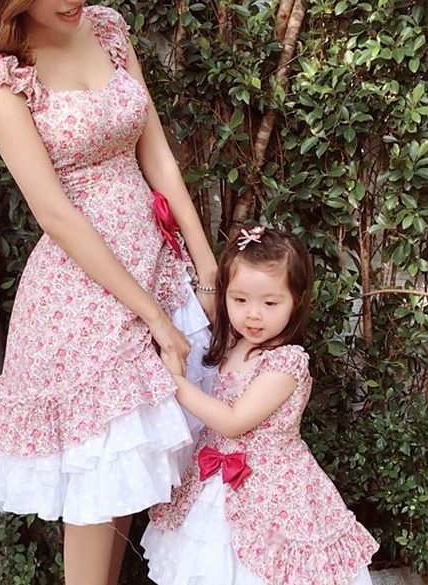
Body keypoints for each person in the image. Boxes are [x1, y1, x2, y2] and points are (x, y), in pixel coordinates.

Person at [0, 2, 217, 584]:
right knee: (100, 487)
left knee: (127, 485)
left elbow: (159, 159)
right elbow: (53, 212)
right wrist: (152, 317)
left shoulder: (107, 28)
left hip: (158, 266)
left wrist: (206, 267)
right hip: (83, 300)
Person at [142, 226, 379, 585]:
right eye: (240, 300)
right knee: (210, 564)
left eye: (270, 303)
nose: (253, 314)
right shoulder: (232, 343)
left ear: (296, 299)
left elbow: (234, 420)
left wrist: (175, 384)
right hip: (216, 480)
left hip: (272, 490)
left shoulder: (286, 363)